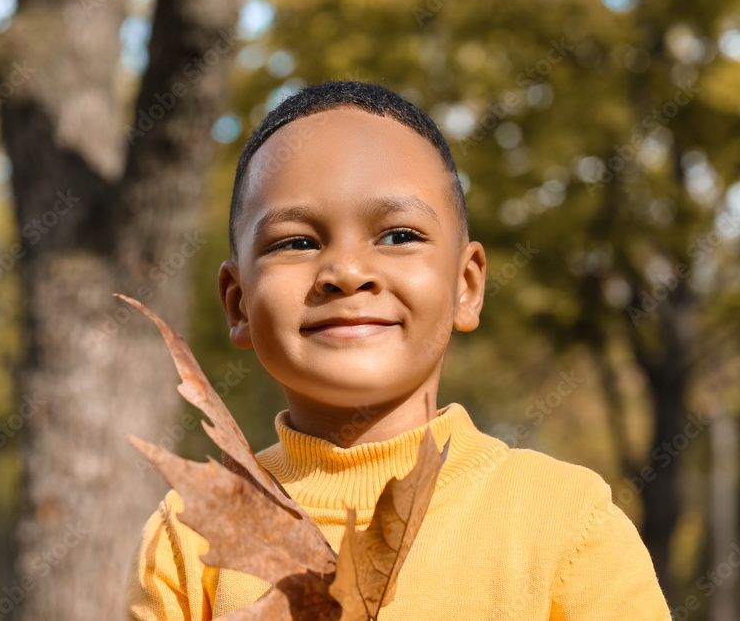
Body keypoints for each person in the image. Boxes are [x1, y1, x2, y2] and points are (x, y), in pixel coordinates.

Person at [124, 81, 672, 620]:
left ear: (466, 286)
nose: (347, 273)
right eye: (297, 242)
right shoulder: (191, 535)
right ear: (238, 302)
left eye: (398, 236)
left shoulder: (566, 523)